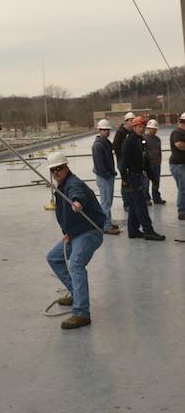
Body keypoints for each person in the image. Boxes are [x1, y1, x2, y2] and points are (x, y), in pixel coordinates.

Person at [45, 152, 104, 330]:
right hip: (76, 233)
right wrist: (68, 232)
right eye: (53, 170)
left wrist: (78, 203)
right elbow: (64, 214)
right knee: (54, 257)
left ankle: (81, 313)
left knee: (77, 263)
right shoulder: (61, 186)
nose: (56, 172)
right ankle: (76, 293)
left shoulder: (72, 184)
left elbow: (77, 194)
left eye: (59, 169)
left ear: (66, 168)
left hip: (90, 232)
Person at [120, 117, 165, 240]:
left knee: (134, 205)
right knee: (141, 205)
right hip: (132, 177)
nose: (141, 129)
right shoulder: (129, 142)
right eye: (138, 127)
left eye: (142, 127)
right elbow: (123, 162)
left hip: (139, 175)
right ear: (134, 127)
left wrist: (153, 178)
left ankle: (133, 230)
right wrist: (124, 179)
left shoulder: (141, 141)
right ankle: (148, 230)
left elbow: (145, 161)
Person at [91, 118, 120, 234]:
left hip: (107, 176)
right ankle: (106, 226)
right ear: (100, 130)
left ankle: (106, 221)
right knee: (106, 202)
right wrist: (108, 174)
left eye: (108, 130)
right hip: (104, 177)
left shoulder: (106, 143)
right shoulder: (98, 145)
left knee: (108, 201)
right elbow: (99, 164)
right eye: (104, 130)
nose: (107, 132)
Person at [112, 111, 135, 211]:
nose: (133, 122)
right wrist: (122, 157)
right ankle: (126, 204)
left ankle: (132, 202)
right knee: (125, 182)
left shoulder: (132, 133)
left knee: (131, 181)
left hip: (131, 162)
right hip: (123, 162)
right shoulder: (121, 132)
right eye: (131, 120)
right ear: (126, 121)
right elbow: (115, 146)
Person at [143, 119, 166, 205]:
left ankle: (156, 197)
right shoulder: (144, 139)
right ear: (148, 129)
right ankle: (146, 199)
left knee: (156, 182)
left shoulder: (157, 140)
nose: (154, 131)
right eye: (152, 129)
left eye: (155, 129)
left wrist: (159, 161)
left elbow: (159, 151)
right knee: (146, 183)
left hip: (156, 164)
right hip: (147, 165)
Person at [169, 112, 185, 220]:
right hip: (178, 164)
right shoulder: (178, 132)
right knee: (183, 188)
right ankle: (182, 211)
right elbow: (179, 144)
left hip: (181, 164)